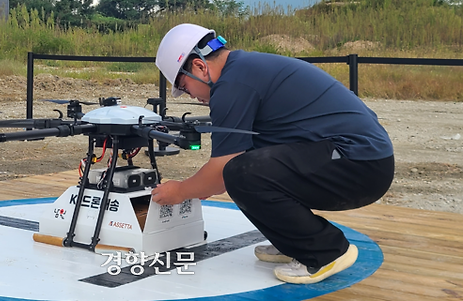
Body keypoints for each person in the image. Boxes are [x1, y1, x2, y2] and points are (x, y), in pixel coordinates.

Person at [151, 23, 394, 284]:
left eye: (185, 87)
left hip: (360, 164)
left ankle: (325, 251)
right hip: (358, 158)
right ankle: (294, 243)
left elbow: (224, 169)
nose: (192, 96)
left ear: (200, 66)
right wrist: (203, 183)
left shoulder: (233, 84)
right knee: (248, 168)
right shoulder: (245, 69)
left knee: (241, 173)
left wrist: (180, 191)